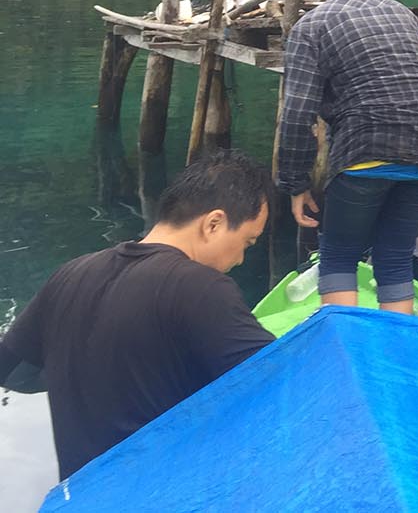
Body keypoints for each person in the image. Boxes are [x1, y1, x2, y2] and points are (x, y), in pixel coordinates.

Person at [0, 151, 274, 478]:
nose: (241, 259)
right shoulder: (203, 288)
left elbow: (11, 371)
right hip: (162, 493)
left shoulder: (70, 273)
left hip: (80, 497)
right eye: (247, 241)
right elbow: (280, 382)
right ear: (213, 223)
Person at [278, 0, 418, 314]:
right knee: (394, 259)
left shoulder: (312, 26)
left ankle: (347, 357)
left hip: (366, 149)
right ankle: (392, 357)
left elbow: (296, 116)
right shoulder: (402, 13)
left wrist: (294, 184)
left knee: (338, 258)